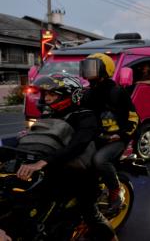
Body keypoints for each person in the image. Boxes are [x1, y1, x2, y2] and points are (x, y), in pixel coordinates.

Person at [15, 73, 116, 240]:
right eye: (45, 94)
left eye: (52, 94)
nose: (46, 98)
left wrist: (42, 163)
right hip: (56, 166)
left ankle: (109, 235)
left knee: (90, 213)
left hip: (81, 172)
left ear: (70, 94)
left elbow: (77, 145)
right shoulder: (50, 113)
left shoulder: (85, 115)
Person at [80, 53, 139, 212]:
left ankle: (115, 193)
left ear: (105, 70)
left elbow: (133, 118)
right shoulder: (86, 93)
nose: (88, 71)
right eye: (86, 66)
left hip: (115, 139)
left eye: (93, 67)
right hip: (95, 137)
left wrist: (121, 135)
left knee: (99, 160)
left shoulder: (117, 92)